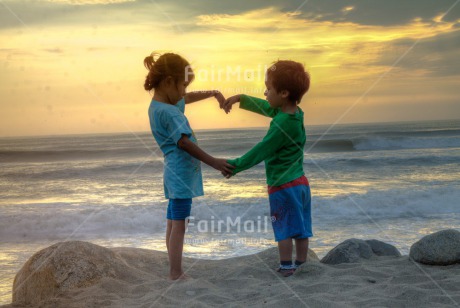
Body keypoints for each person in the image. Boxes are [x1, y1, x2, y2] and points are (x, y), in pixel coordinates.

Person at [144, 52, 234, 280]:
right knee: (180, 225)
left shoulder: (158, 106)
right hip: (181, 173)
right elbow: (184, 142)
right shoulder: (171, 113)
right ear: (167, 82)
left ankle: (173, 266)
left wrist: (212, 93)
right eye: (182, 85)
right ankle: (176, 271)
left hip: (172, 172)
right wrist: (213, 161)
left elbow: (187, 98)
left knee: (173, 222)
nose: (184, 91)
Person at [223, 60, 311, 277]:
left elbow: (262, 149)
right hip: (300, 183)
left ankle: (286, 266)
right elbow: (267, 107)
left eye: (268, 88)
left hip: (282, 185)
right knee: (301, 227)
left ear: (283, 93)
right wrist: (240, 98)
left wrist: (235, 166)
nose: (264, 92)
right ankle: (302, 263)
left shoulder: (281, 124)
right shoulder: (294, 114)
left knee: (283, 227)